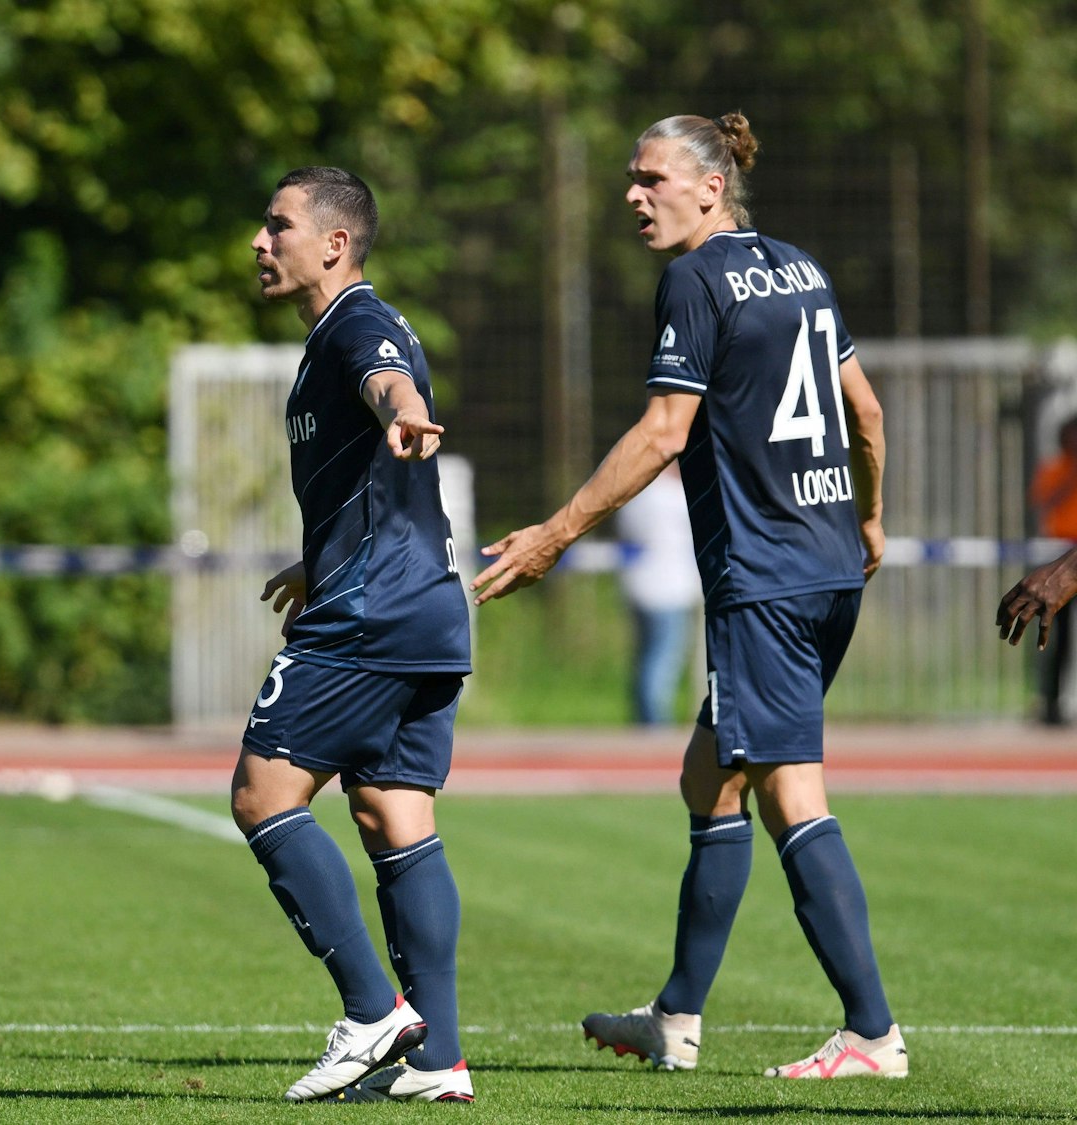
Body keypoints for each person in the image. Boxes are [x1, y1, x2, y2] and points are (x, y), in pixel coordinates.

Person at [471, 113, 906, 1080]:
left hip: (766, 579)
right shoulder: (801, 268)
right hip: (831, 565)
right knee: (709, 778)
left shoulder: (696, 279)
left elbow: (666, 432)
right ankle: (674, 1015)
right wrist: (872, 520)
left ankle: (873, 1033)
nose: (632, 193)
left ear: (710, 187)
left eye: (649, 176)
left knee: (791, 792)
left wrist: (553, 532)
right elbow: (864, 409)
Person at [235, 166, 474, 1103]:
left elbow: (385, 383)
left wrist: (403, 408)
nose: (260, 242)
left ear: (333, 244)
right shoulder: (340, 330)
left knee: (262, 795)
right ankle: (438, 1057)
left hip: (372, 614)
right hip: (424, 605)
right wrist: (317, 555)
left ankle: (374, 1010)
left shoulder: (356, 324)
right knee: (394, 815)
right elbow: (368, 472)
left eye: (277, 225)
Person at [618, 463, 701, 725]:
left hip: (637, 586)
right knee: (663, 661)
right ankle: (654, 724)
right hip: (670, 589)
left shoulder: (635, 495)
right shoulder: (676, 496)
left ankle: (644, 719)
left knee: (645, 658)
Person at [1025, 417, 1077, 723]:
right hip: (1060, 558)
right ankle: (1051, 704)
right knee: (1056, 635)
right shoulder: (1053, 468)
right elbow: (1045, 501)